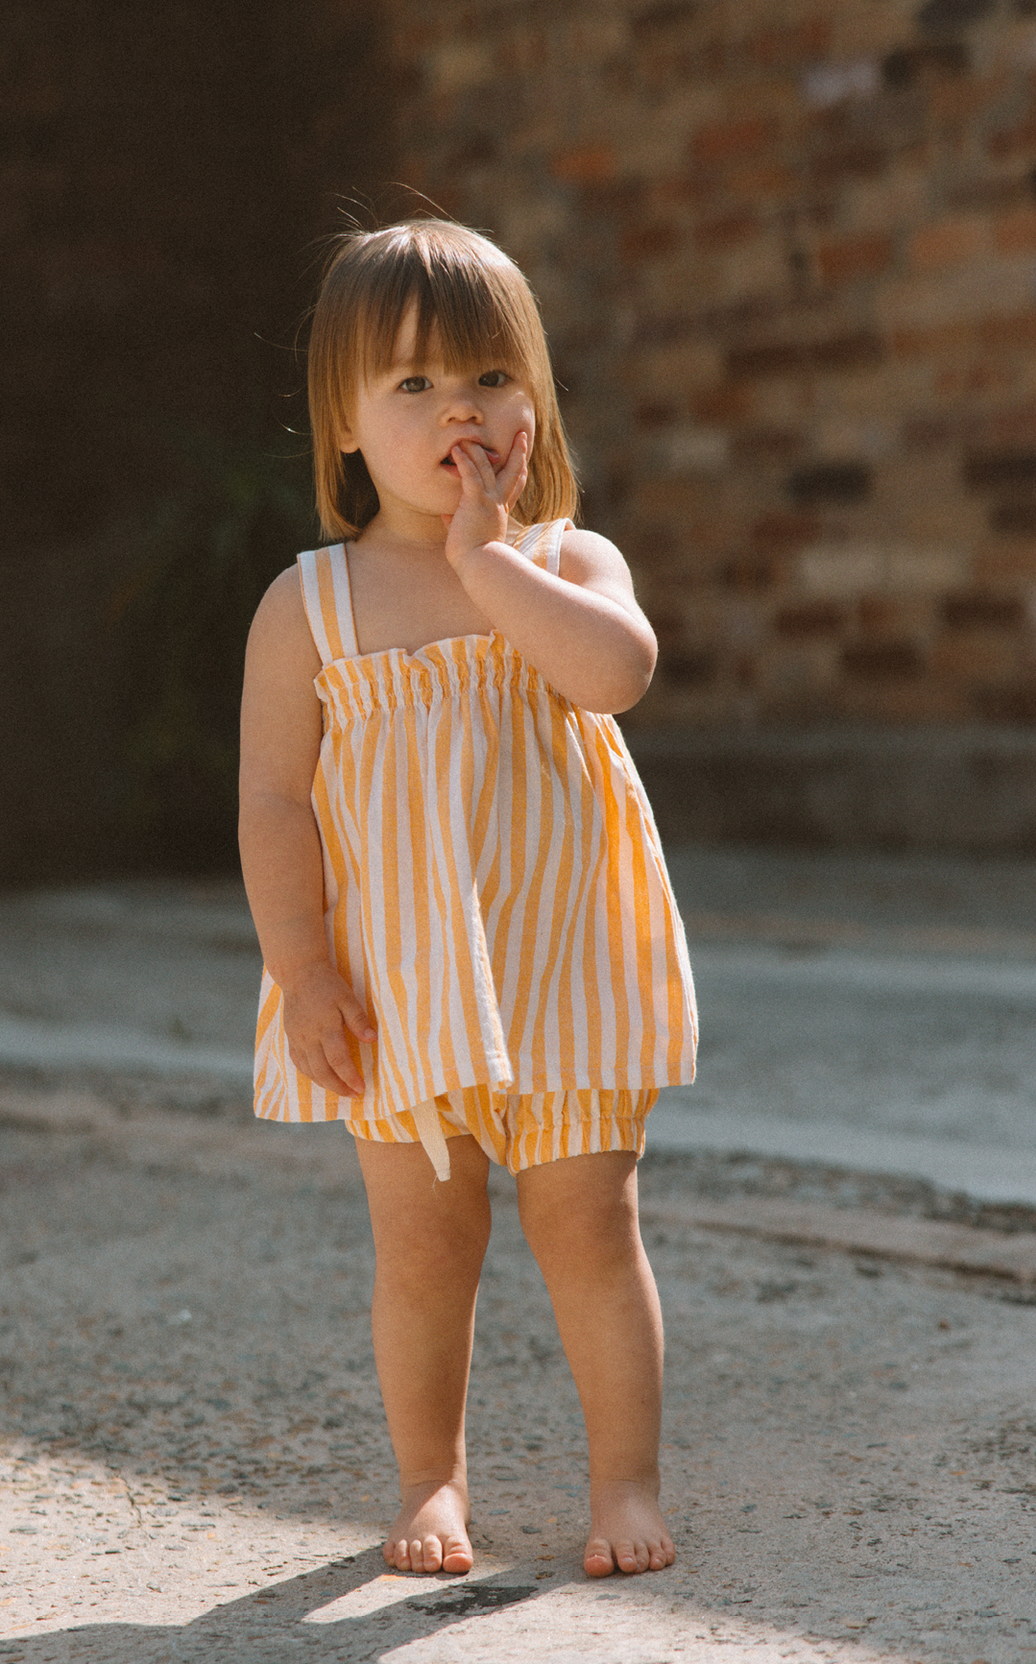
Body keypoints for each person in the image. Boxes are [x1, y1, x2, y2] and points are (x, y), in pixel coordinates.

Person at [238, 218, 698, 1582]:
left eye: (492, 376)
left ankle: (624, 1483)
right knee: (425, 1247)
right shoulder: (308, 605)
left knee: (591, 1229)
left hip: (569, 976)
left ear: (536, 400)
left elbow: (614, 676)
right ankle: (431, 1482)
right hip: (396, 993)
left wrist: (489, 561)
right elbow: (271, 804)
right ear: (345, 428)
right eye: (417, 384)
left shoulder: (565, 561)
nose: (463, 410)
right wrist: (304, 971)